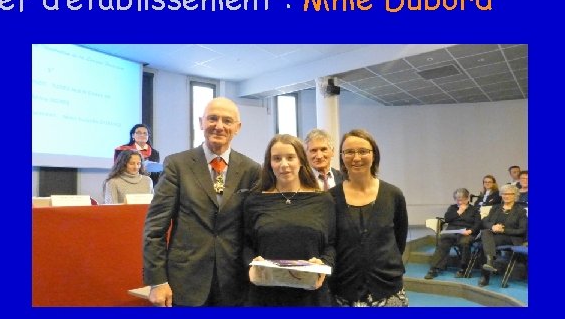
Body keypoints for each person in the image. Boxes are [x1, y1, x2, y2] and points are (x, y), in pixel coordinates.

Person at [142, 97, 261, 306]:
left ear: (238, 127)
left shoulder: (251, 170)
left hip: (235, 284)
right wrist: (157, 281)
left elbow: (255, 229)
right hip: (185, 282)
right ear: (201, 122)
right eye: (212, 118)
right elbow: (155, 228)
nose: (219, 126)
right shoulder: (177, 165)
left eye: (227, 120)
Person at [244, 134, 335, 306]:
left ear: (301, 161)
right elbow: (245, 244)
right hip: (265, 296)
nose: (284, 164)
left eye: (290, 157)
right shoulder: (254, 201)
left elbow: (332, 244)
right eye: (277, 158)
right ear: (269, 163)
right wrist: (251, 266)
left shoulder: (323, 200)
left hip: (311, 296)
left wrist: (324, 264)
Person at [329, 129, 409, 307]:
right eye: (349, 152)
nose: (356, 157)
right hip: (343, 291)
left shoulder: (393, 195)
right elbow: (330, 243)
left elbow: (399, 241)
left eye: (363, 151)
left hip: (388, 289)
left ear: (374, 155)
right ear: (342, 156)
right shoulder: (330, 198)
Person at [478, 183, 528, 287]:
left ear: (515, 195)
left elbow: (522, 230)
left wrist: (503, 230)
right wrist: (493, 226)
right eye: (504, 193)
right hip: (493, 235)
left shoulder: (521, 211)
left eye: (509, 194)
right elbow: (485, 222)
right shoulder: (495, 208)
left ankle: (485, 275)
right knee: (485, 233)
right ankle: (489, 262)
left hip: (511, 237)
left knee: (484, 243)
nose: (506, 196)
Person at [425, 188, 480, 279]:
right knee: (443, 241)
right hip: (452, 231)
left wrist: (470, 231)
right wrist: (459, 212)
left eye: (462, 200)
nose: (460, 202)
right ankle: (434, 268)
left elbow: (478, 224)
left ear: (467, 199)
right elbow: (447, 219)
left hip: (466, 232)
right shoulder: (453, 208)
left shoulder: (474, 210)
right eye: (457, 200)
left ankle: (463, 268)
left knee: (464, 242)